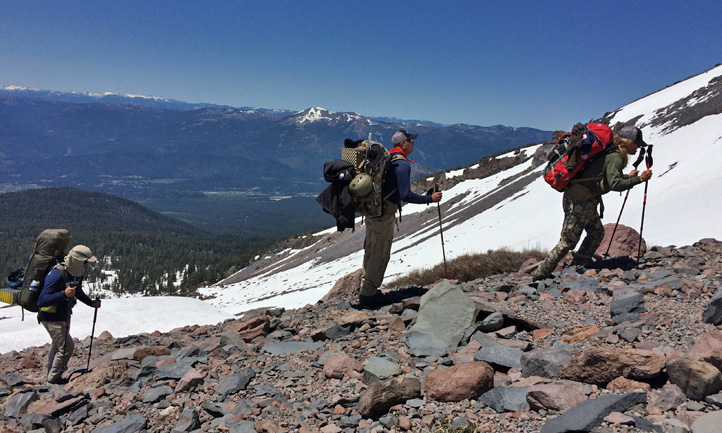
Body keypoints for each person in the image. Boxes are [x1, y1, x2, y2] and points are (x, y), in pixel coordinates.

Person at [532, 125, 652, 281]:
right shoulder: (615, 155)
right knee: (568, 241)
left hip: (584, 198)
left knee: (596, 233)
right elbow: (615, 184)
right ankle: (540, 274)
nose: (638, 148)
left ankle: (577, 265)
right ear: (628, 142)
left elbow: (607, 177)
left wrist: (629, 177)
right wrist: (639, 179)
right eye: (636, 143)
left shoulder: (611, 151)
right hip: (579, 201)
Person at [358, 130, 443, 308]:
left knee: (371, 250)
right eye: (411, 141)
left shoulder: (387, 159)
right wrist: (430, 199)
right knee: (380, 254)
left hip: (372, 211)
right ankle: (369, 296)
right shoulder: (402, 165)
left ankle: (367, 287)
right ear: (403, 144)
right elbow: (405, 195)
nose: (413, 144)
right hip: (385, 214)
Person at [37, 245, 101, 384]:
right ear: (78, 261)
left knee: (58, 345)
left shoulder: (76, 272)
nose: (88, 265)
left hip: (63, 314)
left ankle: (51, 374)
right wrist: (63, 294)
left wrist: (91, 303)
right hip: (51, 317)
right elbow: (41, 300)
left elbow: (77, 291)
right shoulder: (56, 274)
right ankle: (54, 379)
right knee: (66, 346)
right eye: (86, 262)